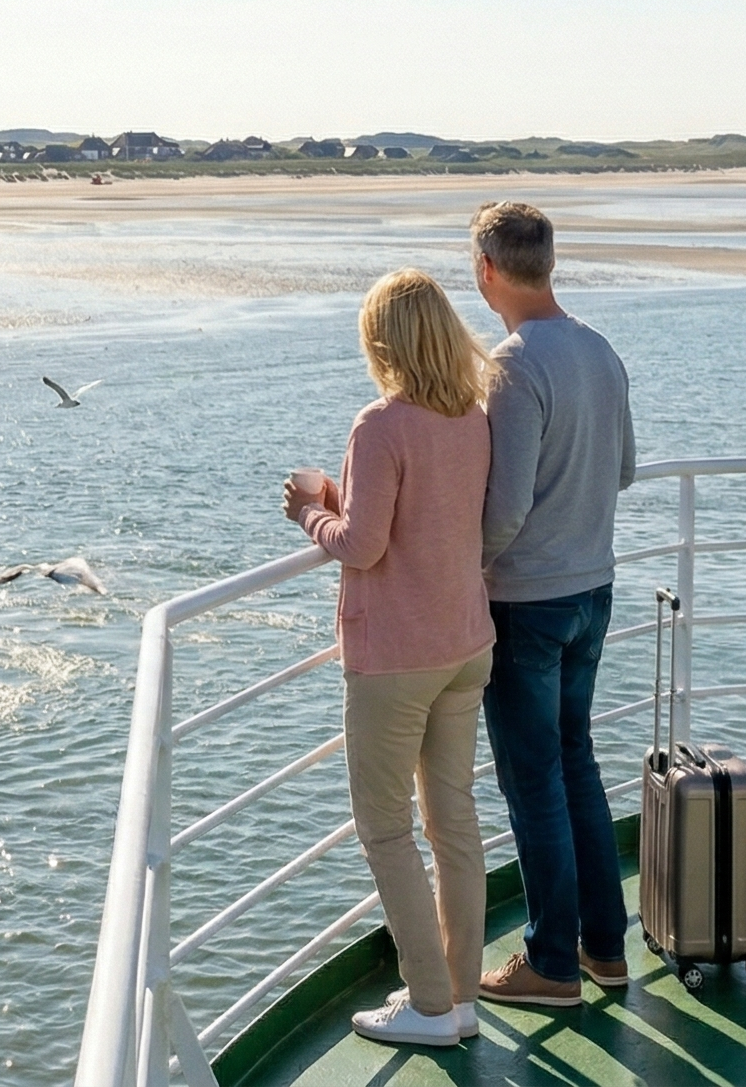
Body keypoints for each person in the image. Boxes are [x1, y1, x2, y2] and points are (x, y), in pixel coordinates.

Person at [283, 268, 497, 1047]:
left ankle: (430, 1005)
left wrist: (309, 513)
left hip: (398, 658)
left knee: (385, 830)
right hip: (465, 643)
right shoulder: (472, 416)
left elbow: (364, 545)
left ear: (382, 342)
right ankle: (460, 996)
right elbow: (428, 521)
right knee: (454, 822)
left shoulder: (379, 425)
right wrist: (343, 505)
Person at [466, 201, 637, 1008]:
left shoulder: (513, 364)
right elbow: (624, 470)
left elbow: (503, 511)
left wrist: (463, 569)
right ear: (550, 262)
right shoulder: (599, 349)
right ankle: (604, 948)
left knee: (534, 783)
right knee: (577, 766)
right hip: (593, 590)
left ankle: (550, 965)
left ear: (486, 269)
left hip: (528, 603)